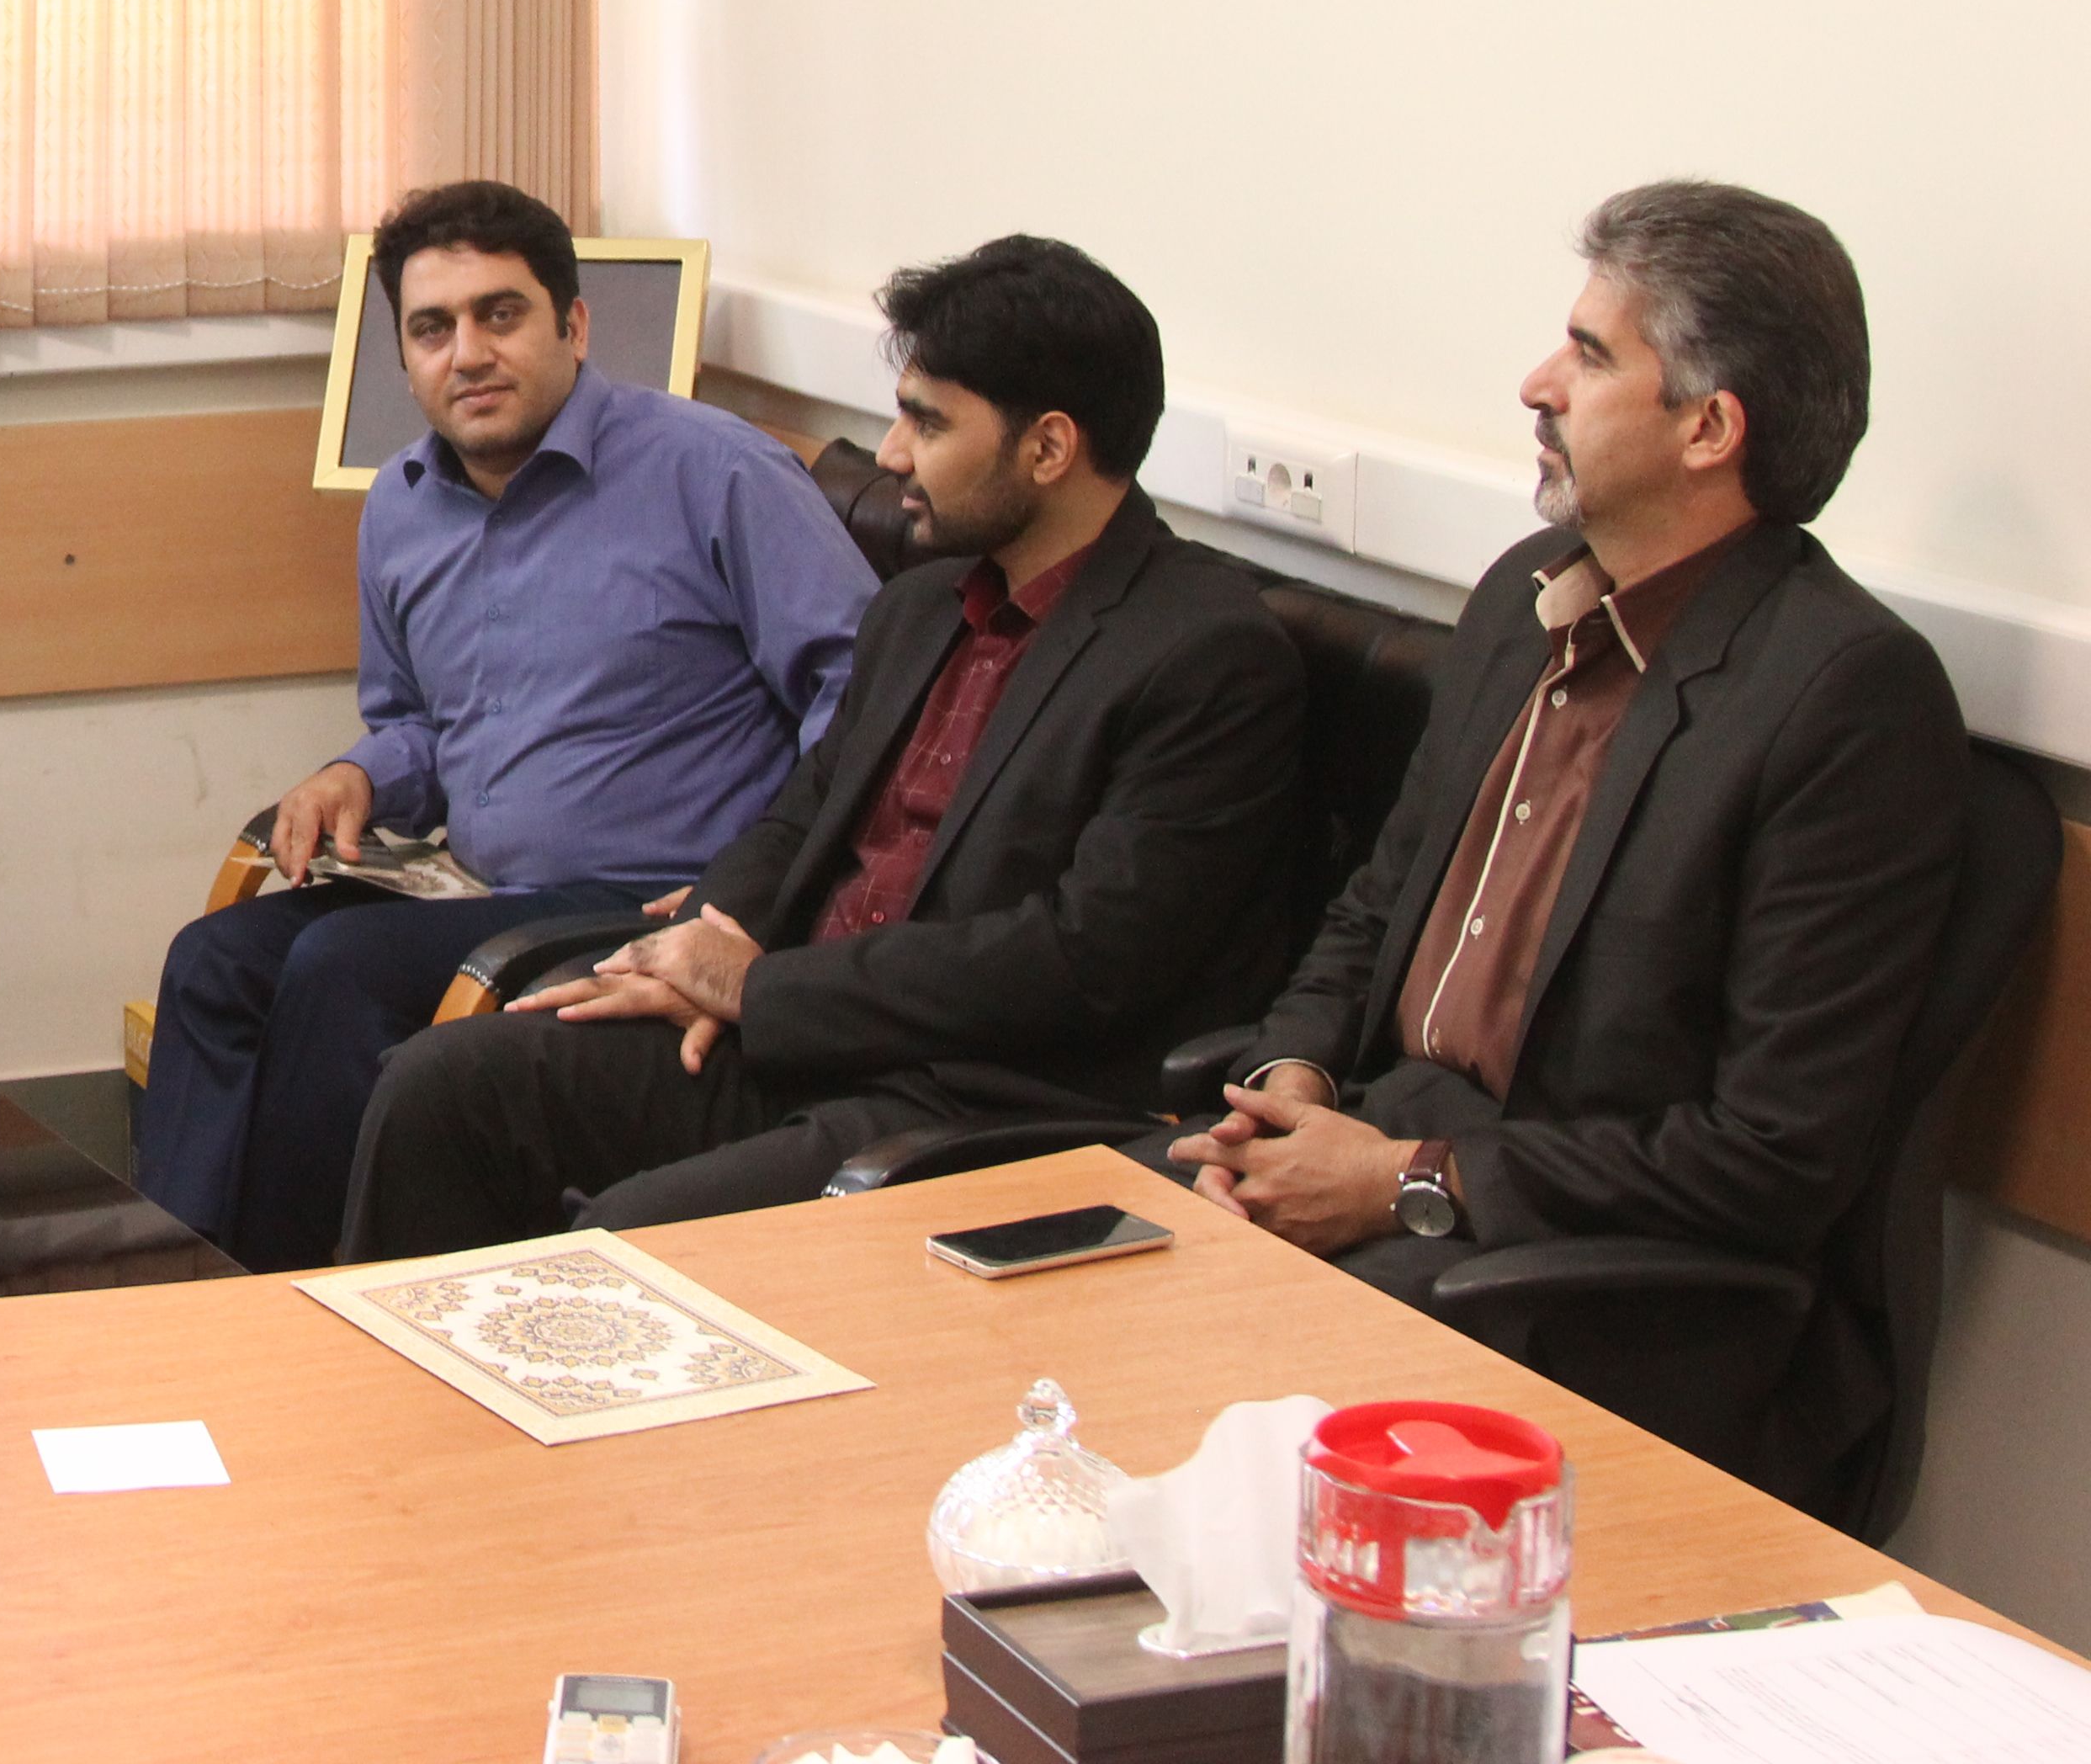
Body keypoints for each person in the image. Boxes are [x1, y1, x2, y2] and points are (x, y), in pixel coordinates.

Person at [1171, 182, 1978, 1505]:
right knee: (1054, 1261)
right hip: (1380, 1151)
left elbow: (1772, 1154)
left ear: (1710, 427)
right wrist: (1291, 1082)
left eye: (1592, 356)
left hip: (1597, 1284)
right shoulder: (1522, 601)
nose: (1538, 384)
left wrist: (1404, 1181)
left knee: (1177, 1384)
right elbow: (1378, 904)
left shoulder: (1845, 698)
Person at [340, 237, 1309, 1253]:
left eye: (928, 423)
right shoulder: (922, 607)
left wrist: (759, 990)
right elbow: (800, 813)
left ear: (1049, 448)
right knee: (439, 1088)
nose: (892, 455)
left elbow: (1080, 961)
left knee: (631, 1242)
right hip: (795, 1034)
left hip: (972, 1095)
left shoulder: (1204, 655)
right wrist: (709, 940)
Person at [134, 181, 873, 1270]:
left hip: (654, 897)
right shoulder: (403, 504)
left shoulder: (717, 472)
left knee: (342, 967)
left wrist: (755, 903)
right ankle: (180, 1295)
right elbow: (421, 727)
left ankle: (318, 1306)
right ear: (404, 357)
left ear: (574, 325)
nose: (468, 354)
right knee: (213, 962)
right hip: (478, 887)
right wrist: (359, 776)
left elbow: (864, 700)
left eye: (501, 315)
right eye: (433, 328)